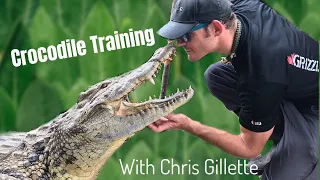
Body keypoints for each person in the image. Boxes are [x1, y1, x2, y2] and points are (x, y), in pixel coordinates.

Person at [147, 0, 319, 179]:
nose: (180, 43)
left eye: (185, 36)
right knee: (216, 75)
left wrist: (187, 125)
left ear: (216, 28)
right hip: (285, 83)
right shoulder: (235, 7)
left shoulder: (259, 72)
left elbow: (248, 148)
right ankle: (276, 133)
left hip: (311, 108)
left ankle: (300, 149)